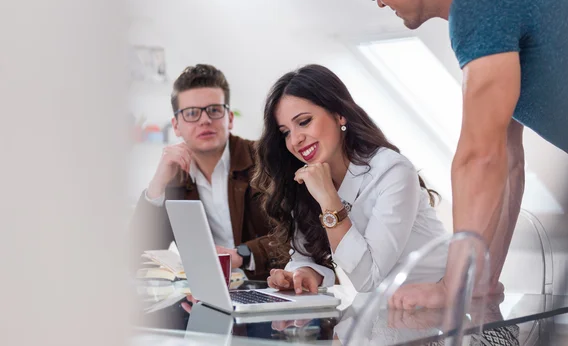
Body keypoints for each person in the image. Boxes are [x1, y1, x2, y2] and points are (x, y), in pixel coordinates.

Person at [338, 0, 568, 311]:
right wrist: (482, 279)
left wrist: (450, 287)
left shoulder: (481, 1)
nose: (380, 1)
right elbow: (508, 161)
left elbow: (479, 158)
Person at [252, 64, 448, 293]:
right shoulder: (310, 178)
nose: (295, 140)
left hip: (440, 308)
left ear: (339, 114)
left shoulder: (392, 170)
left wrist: (328, 199)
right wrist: (302, 273)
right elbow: (307, 255)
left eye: (304, 122)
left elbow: (368, 279)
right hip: (381, 311)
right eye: (285, 132)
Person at [130, 64, 281, 279]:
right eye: (191, 113)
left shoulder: (264, 160)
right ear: (176, 126)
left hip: (270, 289)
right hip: (206, 294)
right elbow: (139, 256)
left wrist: (242, 255)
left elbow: (296, 236)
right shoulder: (174, 178)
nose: (205, 120)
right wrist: (156, 186)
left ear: (229, 118)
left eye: (214, 110)